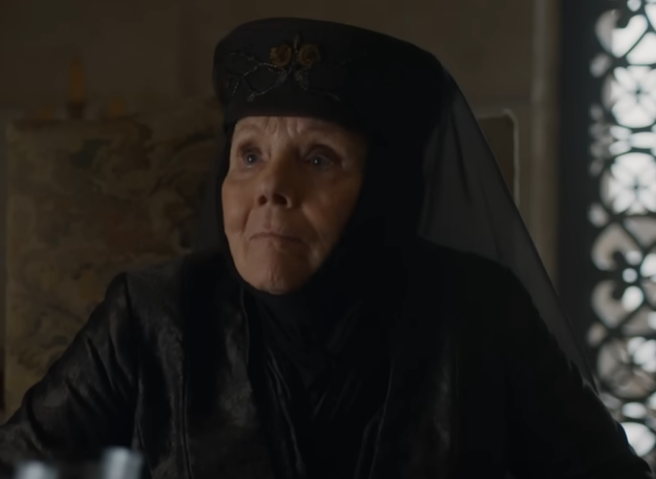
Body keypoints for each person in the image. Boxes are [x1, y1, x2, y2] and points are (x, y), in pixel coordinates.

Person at [0, 17, 652, 479]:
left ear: (382, 192)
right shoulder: (150, 317)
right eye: (249, 155)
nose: (271, 188)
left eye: (318, 158)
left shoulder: (479, 313)